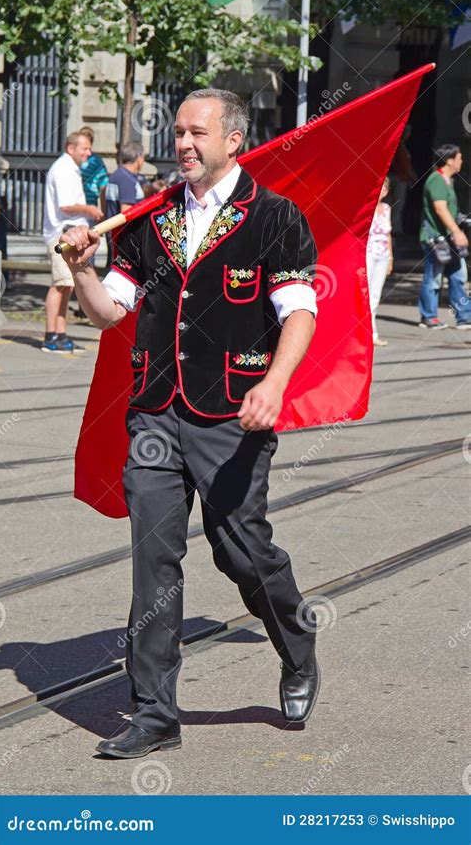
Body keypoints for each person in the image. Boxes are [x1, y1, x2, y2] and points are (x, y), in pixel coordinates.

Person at [61, 89, 320, 759]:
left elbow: (299, 312)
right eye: (177, 132)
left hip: (233, 413)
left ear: (234, 139)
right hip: (154, 413)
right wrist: (79, 269)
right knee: (154, 561)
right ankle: (154, 713)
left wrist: (274, 383)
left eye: (196, 132)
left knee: (240, 549)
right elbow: (110, 311)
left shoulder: (273, 218)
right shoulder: (152, 218)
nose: (183, 143)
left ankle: (296, 643)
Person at [42, 131, 104, 353]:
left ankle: (60, 333)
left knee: (67, 286)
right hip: (62, 233)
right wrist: (90, 209)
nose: (89, 152)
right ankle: (51, 336)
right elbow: (65, 206)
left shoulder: (70, 168)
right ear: (71, 148)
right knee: (60, 285)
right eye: (84, 148)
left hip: (68, 232)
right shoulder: (63, 169)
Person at [418, 144, 471, 329]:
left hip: (449, 238)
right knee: (433, 278)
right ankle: (428, 317)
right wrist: (457, 232)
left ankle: (464, 317)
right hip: (436, 238)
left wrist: (460, 224)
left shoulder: (449, 181)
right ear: (449, 161)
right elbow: (440, 209)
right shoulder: (437, 180)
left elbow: (450, 209)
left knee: (458, 276)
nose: (461, 161)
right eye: (459, 158)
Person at [104, 142, 147, 266]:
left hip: (115, 234)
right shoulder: (126, 179)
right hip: (124, 237)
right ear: (139, 159)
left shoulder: (117, 174)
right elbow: (126, 213)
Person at [366, 176, 393, 346]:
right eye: (379, 187)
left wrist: (390, 257)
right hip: (367, 254)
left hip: (382, 254)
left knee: (375, 295)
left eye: (384, 188)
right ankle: (367, 332)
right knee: (366, 294)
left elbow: (388, 234)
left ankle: (372, 333)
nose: (381, 191)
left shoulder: (386, 208)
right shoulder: (366, 207)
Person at [79, 126, 109, 207]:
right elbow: (103, 186)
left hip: (89, 204)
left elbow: (103, 186)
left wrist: (103, 210)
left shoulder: (96, 161)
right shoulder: (74, 160)